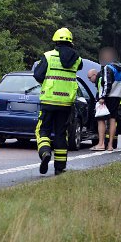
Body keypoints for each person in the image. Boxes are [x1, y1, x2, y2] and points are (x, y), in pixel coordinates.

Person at [33, 27, 83, 175]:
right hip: (66, 103)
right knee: (61, 134)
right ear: (71, 43)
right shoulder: (77, 60)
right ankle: (60, 168)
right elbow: (78, 66)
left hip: (49, 101)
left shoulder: (48, 56)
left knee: (42, 130)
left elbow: (37, 75)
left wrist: (47, 83)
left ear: (55, 41)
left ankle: (45, 153)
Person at [91, 47, 121, 151]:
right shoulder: (120, 68)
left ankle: (101, 144)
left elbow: (107, 83)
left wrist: (102, 97)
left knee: (101, 119)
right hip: (117, 96)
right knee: (112, 119)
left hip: (108, 97)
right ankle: (110, 145)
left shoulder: (107, 68)